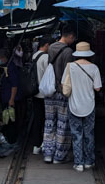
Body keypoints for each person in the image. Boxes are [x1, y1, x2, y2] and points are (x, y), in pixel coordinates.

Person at [62, 41, 101, 172]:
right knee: (89, 134)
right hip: (89, 105)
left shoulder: (70, 67)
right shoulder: (94, 68)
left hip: (74, 105)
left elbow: (64, 85)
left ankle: (78, 163)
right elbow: (98, 88)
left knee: (76, 134)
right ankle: (89, 161)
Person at [42, 28, 76, 164]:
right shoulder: (68, 52)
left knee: (49, 123)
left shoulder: (50, 48)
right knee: (62, 125)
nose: (73, 41)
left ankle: (48, 154)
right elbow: (67, 74)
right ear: (70, 36)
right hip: (61, 92)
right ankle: (59, 156)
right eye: (73, 38)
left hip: (49, 91)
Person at [30, 36, 52, 154]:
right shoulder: (46, 57)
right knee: (47, 120)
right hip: (44, 94)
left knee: (37, 119)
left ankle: (36, 145)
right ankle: (45, 144)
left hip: (34, 92)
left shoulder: (34, 56)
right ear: (46, 45)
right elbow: (48, 75)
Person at [0, 48, 21, 143]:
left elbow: (14, 85)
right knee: (6, 119)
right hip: (5, 97)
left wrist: (11, 99)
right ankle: (8, 138)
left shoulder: (11, 67)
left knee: (11, 120)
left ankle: (11, 140)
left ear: (3, 58)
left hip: (10, 98)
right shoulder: (5, 67)